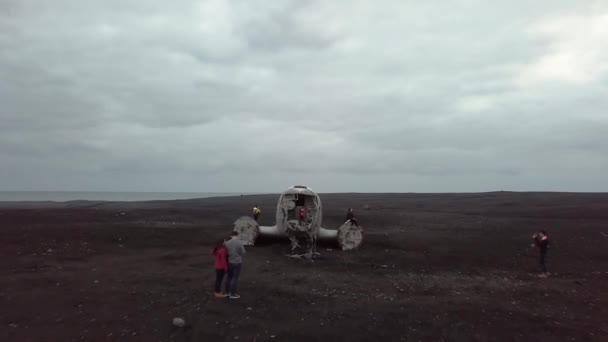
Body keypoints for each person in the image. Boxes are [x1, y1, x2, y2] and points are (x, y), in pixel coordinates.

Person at [224, 231, 246, 299]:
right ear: (237, 235)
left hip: (230, 262)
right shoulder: (239, 242)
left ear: (231, 236)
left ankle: (227, 293)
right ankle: (233, 294)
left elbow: (226, 253)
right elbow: (243, 252)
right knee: (235, 278)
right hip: (238, 262)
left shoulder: (227, 243)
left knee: (229, 277)